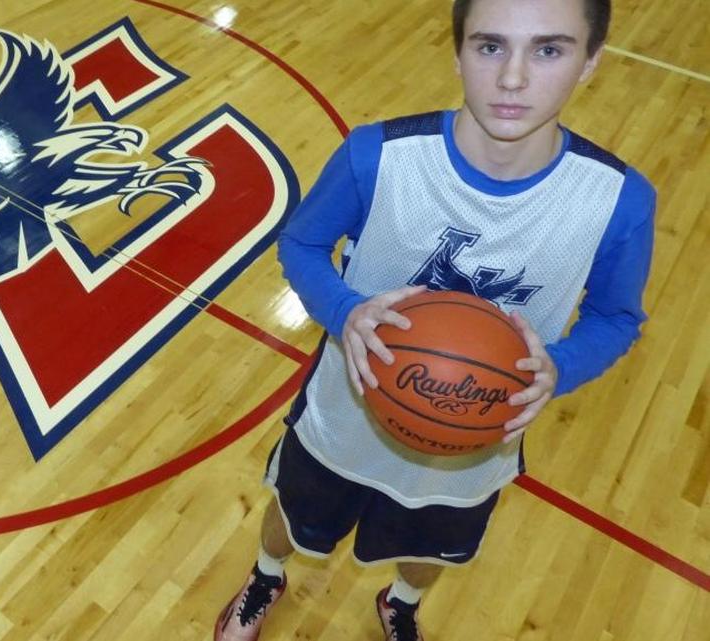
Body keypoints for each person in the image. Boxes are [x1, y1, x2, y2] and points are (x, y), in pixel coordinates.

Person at [213, 0, 655, 639]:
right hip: (346, 407)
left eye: (549, 50)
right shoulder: (376, 155)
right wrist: (342, 310)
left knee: (431, 548)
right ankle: (265, 574)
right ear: (456, 52)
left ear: (591, 63)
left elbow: (617, 317)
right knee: (291, 510)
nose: (512, 77)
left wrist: (559, 366)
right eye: (489, 46)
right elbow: (302, 245)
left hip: (475, 434)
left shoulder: (619, 200)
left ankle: (400, 604)